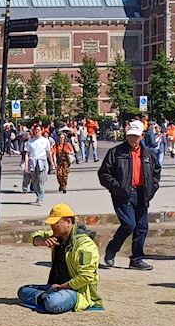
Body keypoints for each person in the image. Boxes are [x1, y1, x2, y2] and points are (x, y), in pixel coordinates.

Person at [98, 121, 158, 271]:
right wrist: (117, 187)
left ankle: (136, 260)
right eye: (130, 135)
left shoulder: (149, 154)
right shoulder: (115, 152)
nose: (132, 139)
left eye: (135, 136)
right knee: (129, 224)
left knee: (142, 227)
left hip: (142, 193)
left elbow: (156, 173)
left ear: (142, 136)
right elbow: (104, 174)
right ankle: (112, 249)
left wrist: (152, 188)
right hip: (123, 194)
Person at [19, 203, 101, 314]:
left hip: (76, 290)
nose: (52, 227)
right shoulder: (57, 235)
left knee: (52, 303)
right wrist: (42, 241)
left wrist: (62, 287)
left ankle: (45, 298)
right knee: (23, 291)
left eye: (56, 223)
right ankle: (44, 297)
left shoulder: (85, 245)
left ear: (68, 222)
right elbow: (33, 236)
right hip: (55, 287)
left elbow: (86, 277)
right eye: (51, 224)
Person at [23, 125, 52, 204]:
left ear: (41, 131)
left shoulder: (45, 140)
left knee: (41, 180)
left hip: (42, 161)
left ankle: (40, 198)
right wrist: (26, 165)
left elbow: (48, 152)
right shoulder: (30, 141)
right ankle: (38, 194)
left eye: (38, 130)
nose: (37, 131)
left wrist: (52, 163)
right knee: (34, 182)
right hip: (33, 162)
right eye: (36, 130)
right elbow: (27, 154)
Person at [54, 129, 75, 194]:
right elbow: (54, 154)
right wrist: (54, 163)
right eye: (60, 138)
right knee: (59, 174)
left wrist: (68, 152)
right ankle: (61, 184)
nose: (61, 139)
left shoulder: (67, 144)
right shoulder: (56, 145)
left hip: (66, 162)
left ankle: (64, 186)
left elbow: (72, 152)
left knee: (65, 174)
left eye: (63, 138)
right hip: (59, 162)